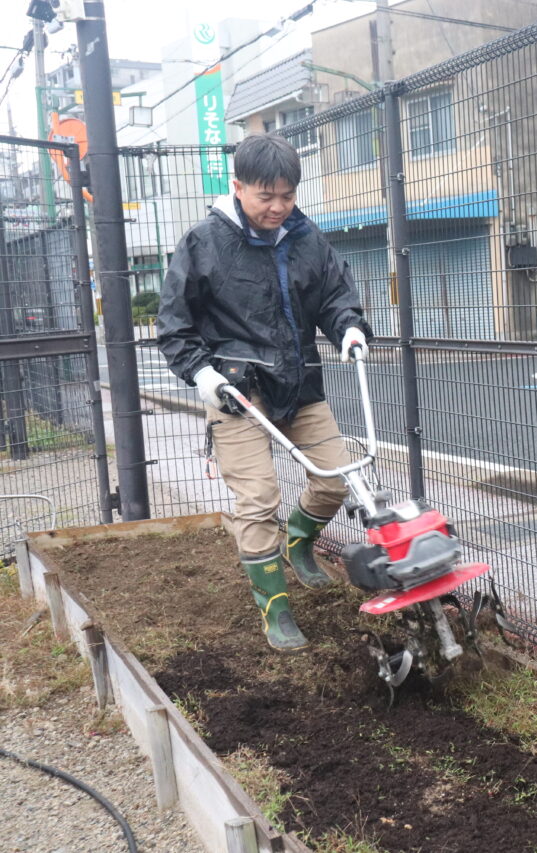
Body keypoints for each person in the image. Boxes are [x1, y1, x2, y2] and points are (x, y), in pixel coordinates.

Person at [158, 133, 372, 653]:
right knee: (258, 501)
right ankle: (275, 610)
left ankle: (299, 543)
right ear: (238, 187)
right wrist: (206, 377)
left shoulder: (306, 239)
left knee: (336, 482)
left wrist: (348, 327)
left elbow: (334, 295)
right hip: (237, 393)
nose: (277, 207)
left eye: (287, 196)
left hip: (299, 384)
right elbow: (174, 327)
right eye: (265, 196)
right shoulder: (203, 243)